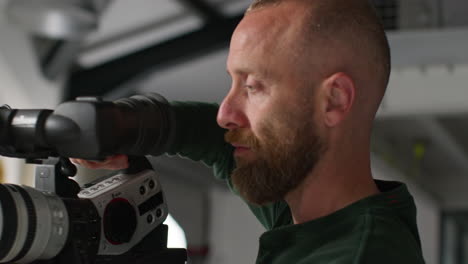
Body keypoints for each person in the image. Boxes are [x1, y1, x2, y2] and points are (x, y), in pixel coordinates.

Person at [72, 0, 426, 263]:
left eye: (254, 87)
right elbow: (214, 141)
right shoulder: (311, 207)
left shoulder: (356, 256)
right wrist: (129, 124)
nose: (226, 113)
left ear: (333, 101)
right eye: (233, 82)